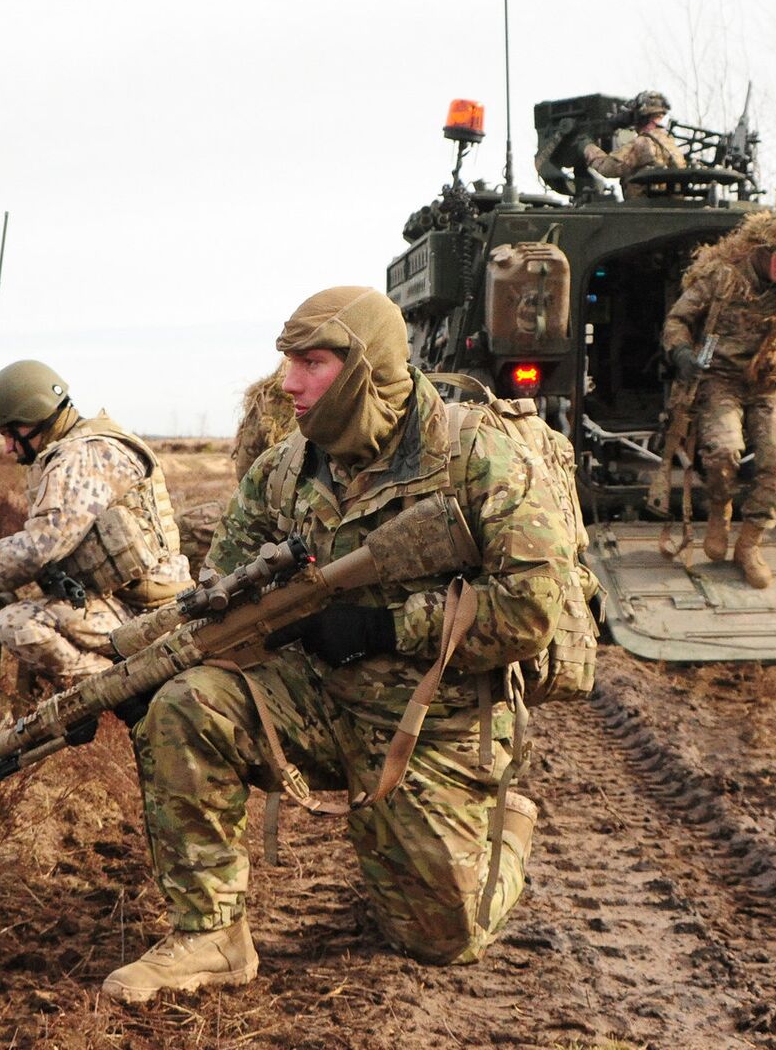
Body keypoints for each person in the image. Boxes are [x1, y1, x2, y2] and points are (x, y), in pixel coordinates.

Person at [103, 286, 576, 1004]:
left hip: (432, 721)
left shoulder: (477, 453)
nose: (289, 382)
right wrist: (160, 667)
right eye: (288, 361)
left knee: (442, 942)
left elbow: (531, 609)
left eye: (312, 362)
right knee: (185, 704)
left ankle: (505, 827)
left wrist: (384, 628)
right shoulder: (285, 468)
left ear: (365, 366)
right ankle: (211, 934)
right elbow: (223, 592)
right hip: (318, 701)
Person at [0, 360, 191, 688]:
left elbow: (39, 549)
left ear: (36, 417)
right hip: (139, 602)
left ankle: (121, 690)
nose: (8, 447)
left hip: (150, 613)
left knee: (16, 622)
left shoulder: (80, 457)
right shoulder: (86, 445)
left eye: (11, 433)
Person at [661, 205, 776, 588]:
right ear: (763, 250)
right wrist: (682, 353)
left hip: (766, 383)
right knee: (723, 450)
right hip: (718, 379)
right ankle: (720, 509)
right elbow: (678, 319)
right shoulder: (724, 278)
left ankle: (750, 543)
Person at [583, 90, 688, 198]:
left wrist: (587, 148)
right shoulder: (670, 143)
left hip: (645, 207)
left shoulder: (642, 143)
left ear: (640, 116)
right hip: (666, 205)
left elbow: (609, 168)